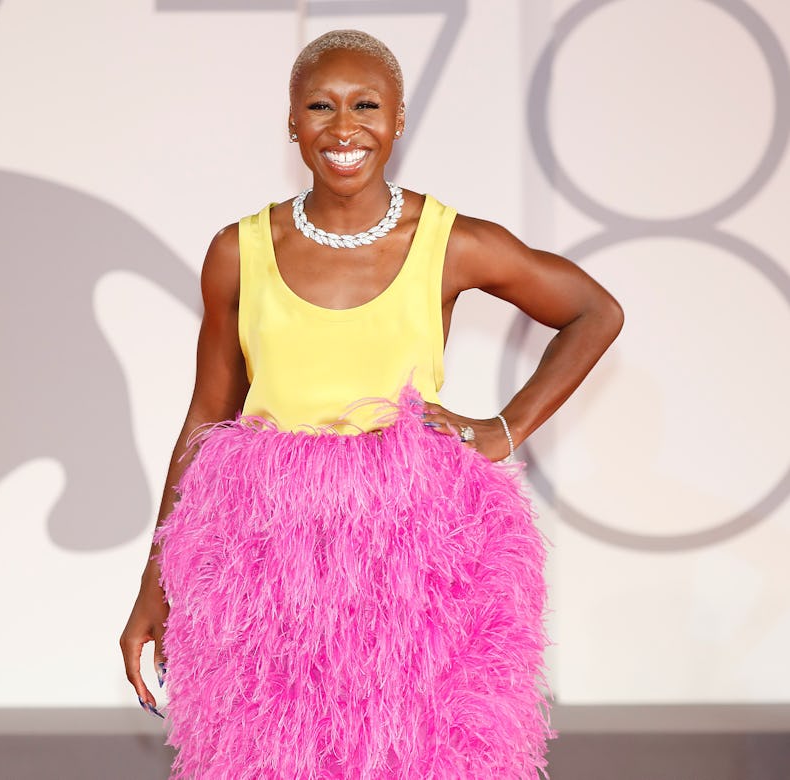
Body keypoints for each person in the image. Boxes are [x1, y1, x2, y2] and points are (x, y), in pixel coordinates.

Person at [120, 29, 623, 779]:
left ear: (398, 119)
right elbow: (205, 419)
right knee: (271, 755)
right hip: (269, 557)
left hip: (414, 553)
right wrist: (152, 584)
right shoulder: (239, 250)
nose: (344, 126)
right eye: (320, 106)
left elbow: (594, 311)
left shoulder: (450, 241)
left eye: (366, 105)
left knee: (418, 755)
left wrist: (502, 429)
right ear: (292, 122)